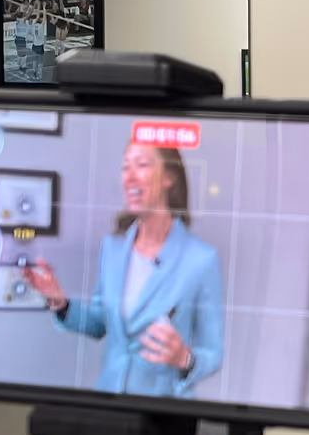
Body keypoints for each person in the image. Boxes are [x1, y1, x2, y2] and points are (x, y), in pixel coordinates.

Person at [24, 140, 224, 398]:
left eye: (141, 165)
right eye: (125, 167)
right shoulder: (113, 249)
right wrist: (60, 303)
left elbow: (213, 352)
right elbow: (99, 322)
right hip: (111, 401)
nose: (129, 177)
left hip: (165, 408)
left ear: (169, 177)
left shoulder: (200, 259)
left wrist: (184, 358)